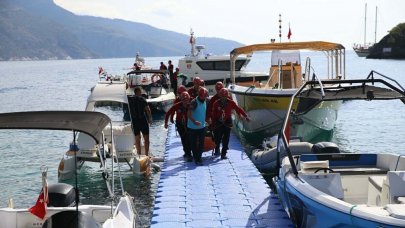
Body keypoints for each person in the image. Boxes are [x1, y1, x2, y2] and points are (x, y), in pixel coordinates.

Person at [211, 88, 249, 159]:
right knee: (217, 138)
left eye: (225, 96)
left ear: (227, 96)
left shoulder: (231, 102)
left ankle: (224, 153)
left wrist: (245, 116)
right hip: (218, 123)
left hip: (227, 122)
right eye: (222, 96)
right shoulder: (216, 104)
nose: (223, 98)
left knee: (226, 139)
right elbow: (213, 116)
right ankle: (217, 149)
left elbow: (238, 109)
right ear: (220, 96)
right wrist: (213, 125)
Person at [164, 91, 192, 161]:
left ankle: (190, 152)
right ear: (181, 100)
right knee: (184, 139)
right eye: (184, 100)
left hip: (190, 123)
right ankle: (187, 153)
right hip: (180, 124)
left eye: (187, 100)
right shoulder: (177, 105)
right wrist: (166, 123)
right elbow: (168, 113)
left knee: (190, 139)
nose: (185, 102)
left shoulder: (192, 104)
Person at [127, 87, 153, 156]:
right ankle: (147, 155)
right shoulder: (142, 99)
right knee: (146, 139)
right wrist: (150, 119)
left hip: (134, 121)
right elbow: (148, 110)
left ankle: (139, 155)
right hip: (142, 121)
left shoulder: (129, 99)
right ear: (139, 92)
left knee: (137, 139)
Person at [187, 87, 209, 165]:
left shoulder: (205, 101)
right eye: (204, 96)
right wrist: (194, 121)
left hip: (202, 127)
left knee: (201, 144)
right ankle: (197, 158)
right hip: (192, 127)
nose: (205, 98)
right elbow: (188, 114)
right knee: (193, 144)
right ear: (200, 95)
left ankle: (198, 158)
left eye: (205, 96)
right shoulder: (194, 102)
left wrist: (206, 121)